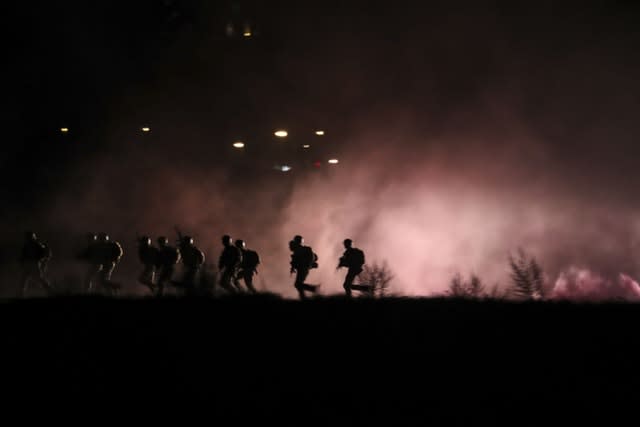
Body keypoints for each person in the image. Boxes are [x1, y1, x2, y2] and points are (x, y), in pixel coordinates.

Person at [19, 231, 52, 297]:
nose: (28, 239)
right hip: (29, 264)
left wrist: (42, 260)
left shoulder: (37, 244)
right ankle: (21, 294)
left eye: (29, 237)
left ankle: (50, 290)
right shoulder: (27, 246)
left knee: (39, 278)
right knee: (24, 279)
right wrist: (22, 260)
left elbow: (45, 253)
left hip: (34, 264)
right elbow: (23, 255)